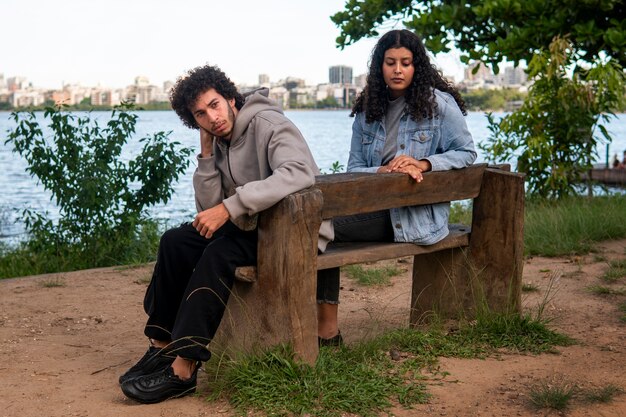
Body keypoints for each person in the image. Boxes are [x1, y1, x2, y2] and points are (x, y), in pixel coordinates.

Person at [119, 64, 333, 404]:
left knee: (217, 254)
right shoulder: (220, 141)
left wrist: (232, 206)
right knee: (175, 242)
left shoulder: (268, 124)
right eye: (200, 114)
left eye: (215, 104)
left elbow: (299, 172)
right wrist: (206, 155)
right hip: (252, 228)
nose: (212, 117)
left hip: (293, 234)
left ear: (231, 98)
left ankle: (184, 369)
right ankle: (161, 346)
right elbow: (209, 208)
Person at [316, 29, 477, 340]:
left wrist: (424, 164)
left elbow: (466, 152)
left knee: (317, 228)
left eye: (405, 62)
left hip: (413, 215)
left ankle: (326, 333)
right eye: (390, 63)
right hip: (373, 206)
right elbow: (354, 169)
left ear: (417, 66)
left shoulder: (438, 105)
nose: (398, 69)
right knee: (316, 227)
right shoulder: (366, 111)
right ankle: (326, 331)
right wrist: (385, 170)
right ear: (380, 67)